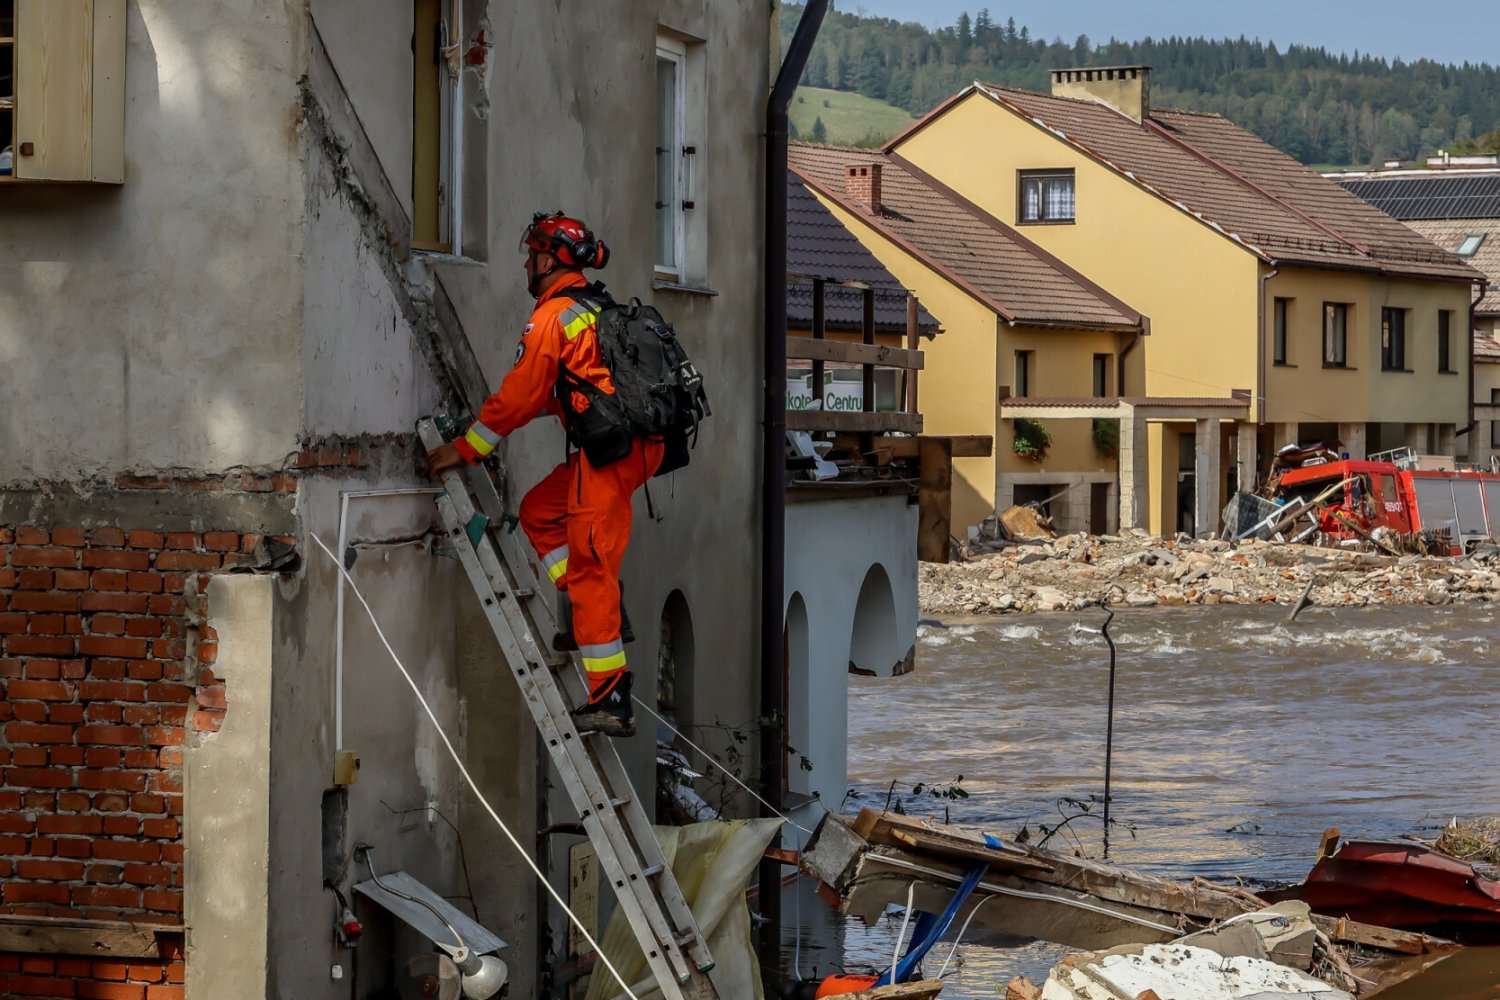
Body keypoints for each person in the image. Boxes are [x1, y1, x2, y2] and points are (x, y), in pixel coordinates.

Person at [427, 212, 663, 737]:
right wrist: (492, 422)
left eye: (531, 254)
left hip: (608, 455)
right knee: (538, 512)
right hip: (633, 450)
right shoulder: (595, 306)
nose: (524, 263)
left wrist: (465, 448)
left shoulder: (553, 317)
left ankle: (610, 698)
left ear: (551, 260)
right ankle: (594, 610)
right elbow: (563, 392)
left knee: (591, 567)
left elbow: (523, 392)